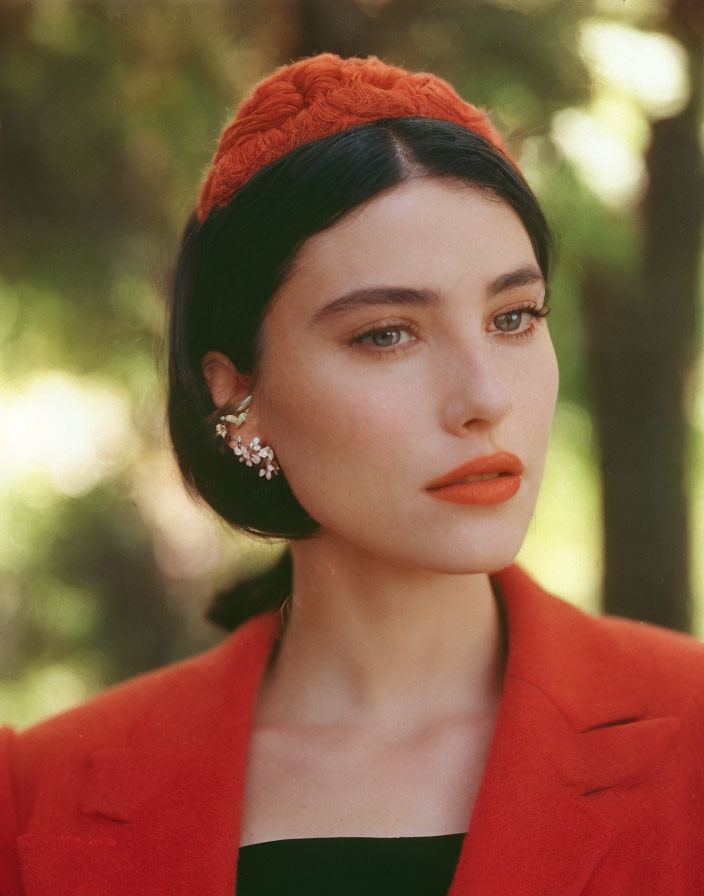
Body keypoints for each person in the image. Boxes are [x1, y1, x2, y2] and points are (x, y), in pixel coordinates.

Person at [1, 52, 703, 895]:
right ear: (241, 396)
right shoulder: (40, 803)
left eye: (513, 317)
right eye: (386, 334)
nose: (483, 398)